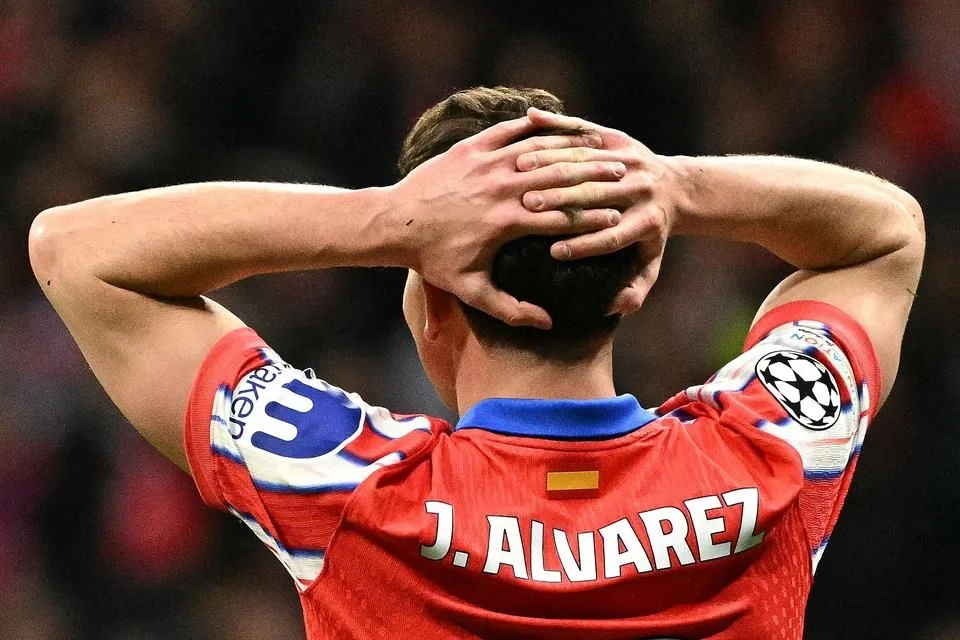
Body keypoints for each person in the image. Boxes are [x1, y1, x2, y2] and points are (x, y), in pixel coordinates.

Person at [29, 87, 924, 639]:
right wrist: (673, 186)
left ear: (432, 303)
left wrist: (385, 222)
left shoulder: (350, 487)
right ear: (630, 288)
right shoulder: (772, 455)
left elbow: (76, 251)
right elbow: (887, 235)